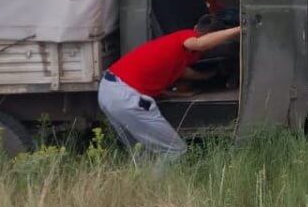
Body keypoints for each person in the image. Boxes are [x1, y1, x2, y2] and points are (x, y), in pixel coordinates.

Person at [97, 14, 240, 161]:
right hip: (126, 97)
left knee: (141, 151)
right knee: (174, 150)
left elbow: (183, 71)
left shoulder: (174, 48)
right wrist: (240, 29)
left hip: (108, 89)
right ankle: (157, 184)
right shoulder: (187, 36)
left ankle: (140, 180)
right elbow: (198, 43)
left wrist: (203, 79)